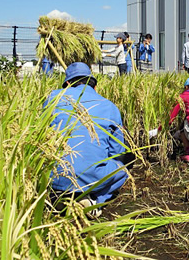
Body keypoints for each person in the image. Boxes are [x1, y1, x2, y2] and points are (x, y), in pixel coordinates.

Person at [44, 62, 132, 217]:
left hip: (55, 176)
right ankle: (95, 200)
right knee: (122, 171)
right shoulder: (109, 106)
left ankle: (57, 195)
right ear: (94, 86)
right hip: (93, 177)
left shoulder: (53, 98)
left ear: (68, 84)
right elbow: (117, 151)